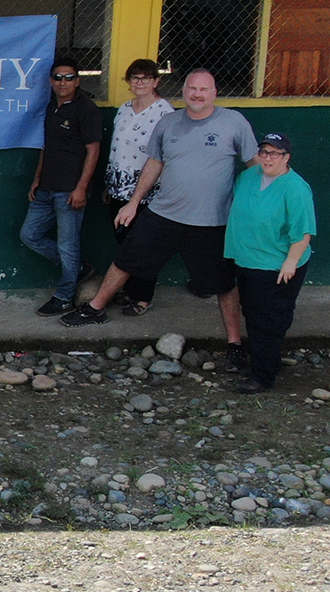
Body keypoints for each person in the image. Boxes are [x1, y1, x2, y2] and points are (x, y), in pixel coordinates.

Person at [62, 70, 258, 366]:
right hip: (163, 213)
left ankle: (233, 343)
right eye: (192, 88)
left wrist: (261, 205)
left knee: (223, 284)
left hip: (211, 222)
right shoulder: (168, 122)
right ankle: (95, 307)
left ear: (214, 92)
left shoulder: (233, 122)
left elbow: (255, 166)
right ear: (183, 90)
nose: (197, 94)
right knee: (126, 258)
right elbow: (154, 163)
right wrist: (133, 203)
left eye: (204, 90)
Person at [224, 133, 316, 394]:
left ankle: (262, 377)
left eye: (275, 153)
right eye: (264, 152)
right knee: (253, 314)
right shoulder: (248, 177)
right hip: (247, 260)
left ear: (286, 158)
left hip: (277, 266)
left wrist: (291, 262)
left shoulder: (295, 188)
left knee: (269, 320)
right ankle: (267, 363)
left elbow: (303, 232)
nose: (268, 158)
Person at [22, 58, 102, 316]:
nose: (63, 82)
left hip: (70, 190)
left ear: (77, 81)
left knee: (68, 244)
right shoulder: (50, 108)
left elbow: (93, 150)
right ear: (51, 81)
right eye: (58, 77)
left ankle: (65, 296)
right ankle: (77, 268)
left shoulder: (86, 109)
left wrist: (81, 188)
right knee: (29, 235)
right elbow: (47, 147)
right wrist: (37, 178)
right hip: (46, 188)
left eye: (68, 77)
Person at [102, 58, 174, 316]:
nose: (140, 82)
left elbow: (165, 156)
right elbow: (116, 150)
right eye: (135, 77)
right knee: (124, 240)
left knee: (141, 244)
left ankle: (143, 297)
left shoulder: (165, 113)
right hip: (118, 187)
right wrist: (109, 186)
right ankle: (131, 289)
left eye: (146, 77)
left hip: (146, 192)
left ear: (156, 81)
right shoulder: (123, 109)